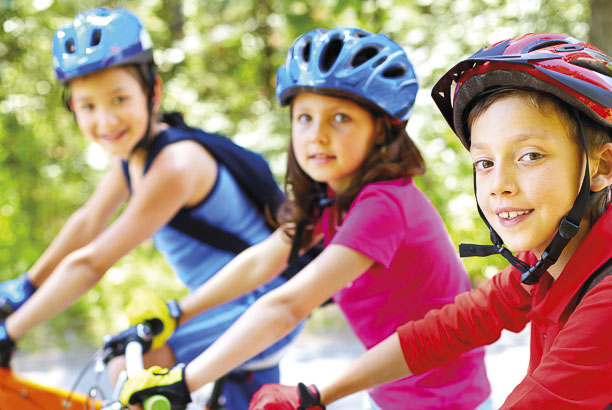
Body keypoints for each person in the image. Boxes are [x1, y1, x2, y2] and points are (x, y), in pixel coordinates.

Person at [118, 27, 492, 410]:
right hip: (391, 392)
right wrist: (177, 313)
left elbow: (288, 306)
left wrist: (186, 380)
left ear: (381, 129)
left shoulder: (382, 205)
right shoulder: (332, 198)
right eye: (305, 118)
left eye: (341, 118)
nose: (318, 135)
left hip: (443, 402)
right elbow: (262, 261)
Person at [245, 33, 612, 409]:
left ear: (602, 166)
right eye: (484, 163)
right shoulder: (545, 266)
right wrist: (315, 395)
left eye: (530, 156)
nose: (499, 185)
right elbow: (441, 332)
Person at [0, 8, 303, 409]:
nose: (105, 120)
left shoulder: (174, 166)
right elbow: (89, 222)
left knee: (130, 370)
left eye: (119, 99)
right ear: (72, 107)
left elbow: (92, 262)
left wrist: (13, 330)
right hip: (230, 305)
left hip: (262, 305)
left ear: (153, 92)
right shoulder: (134, 156)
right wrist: (25, 287)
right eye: (88, 106)